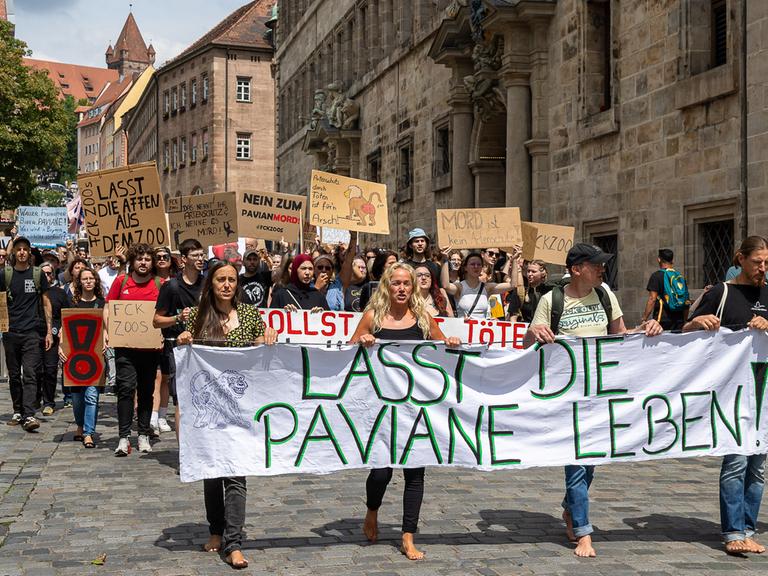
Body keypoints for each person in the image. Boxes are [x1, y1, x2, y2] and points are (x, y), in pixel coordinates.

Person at [524, 243, 663, 557]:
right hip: (567, 395)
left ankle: (570, 507)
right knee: (577, 460)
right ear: (576, 269)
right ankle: (584, 531)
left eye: (603, 264)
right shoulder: (551, 300)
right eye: (596, 264)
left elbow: (620, 338)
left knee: (590, 461)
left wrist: (647, 328)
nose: (603, 269)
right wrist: (538, 332)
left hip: (600, 394)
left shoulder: (606, 295)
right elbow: (526, 344)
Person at [349, 263, 460, 560]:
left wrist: (449, 341)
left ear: (413, 287)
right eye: (395, 283)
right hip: (381, 407)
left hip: (416, 408)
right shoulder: (372, 316)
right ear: (387, 285)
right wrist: (362, 341)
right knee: (381, 471)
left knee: (415, 472)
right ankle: (372, 511)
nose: (401, 288)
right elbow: (347, 354)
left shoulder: (423, 317)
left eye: (406, 284)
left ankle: (408, 536)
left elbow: (441, 345)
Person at [176, 261, 277, 569]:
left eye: (231, 279)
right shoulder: (196, 317)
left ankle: (233, 543)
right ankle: (216, 531)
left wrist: (268, 338)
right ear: (212, 283)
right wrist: (183, 340)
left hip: (239, 409)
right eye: (220, 279)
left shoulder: (249, 315)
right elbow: (185, 354)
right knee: (212, 472)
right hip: (207, 411)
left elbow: (261, 352)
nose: (226, 284)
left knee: (235, 473)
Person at [683, 235, 768, 555]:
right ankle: (733, 532)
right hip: (730, 392)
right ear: (740, 259)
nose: (763, 268)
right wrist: (697, 322)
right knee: (736, 460)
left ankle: (748, 528)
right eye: (757, 261)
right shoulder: (722, 292)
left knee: (757, 466)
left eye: (767, 263)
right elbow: (685, 332)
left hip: (762, 391)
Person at [105, 243, 162, 456]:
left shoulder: (160, 284)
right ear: (132, 261)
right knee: (126, 390)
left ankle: (144, 434)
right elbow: (108, 307)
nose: (144, 263)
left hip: (150, 349)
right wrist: (108, 330)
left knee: (146, 392)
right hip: (125, 349)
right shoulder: (122, 282)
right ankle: (123, 437)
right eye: (140, 259)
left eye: (148, 259)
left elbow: (163, 314)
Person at [153, 239, 206, 436]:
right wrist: (177, 318)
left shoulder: (208, 284)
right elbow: (156, 321)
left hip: (203, 348)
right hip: (178, 349)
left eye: (202, 255)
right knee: (182, 400)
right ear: (184, 259)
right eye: (195, 256)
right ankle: (183, 452)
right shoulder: (172, 287)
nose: (200, 259)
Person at [0, 236, 53, 431]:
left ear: (29, 252)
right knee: (14, 375)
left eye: (25, 249)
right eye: (18, 249)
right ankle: (17, 410)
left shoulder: (37, 275)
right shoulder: (5, 275)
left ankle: (29, 414)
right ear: (14, 252)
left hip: (32, 332)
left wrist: (49, 331)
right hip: (11, 332)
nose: (22, 252)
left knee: (30, 374)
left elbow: (46, 302)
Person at [64, 268, 105, 448]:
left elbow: (106, 327)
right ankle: (80, 425)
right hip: (75, 357)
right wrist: (60, 346)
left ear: (96, 281)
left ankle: (88, 432)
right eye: (84, 279)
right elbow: (65, 328)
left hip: (95, 357)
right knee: (77, 398)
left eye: (91, 278)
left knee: (91, 395)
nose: (88, 281)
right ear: (79, 282)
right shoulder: (72, 303)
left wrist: (106, 339)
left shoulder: (102, 303)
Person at [441, 251, 516, 319]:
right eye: (472, 264)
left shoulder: (487, 288)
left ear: (482, 268)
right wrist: (445, 260)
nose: (476, 267)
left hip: (481, 331)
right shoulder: (459, 287)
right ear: (465, 268)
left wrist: (515, 260)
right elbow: (445, 285)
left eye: (479, 264)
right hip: (463, 330)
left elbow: (512, 285)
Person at [38, 262, 69, 415]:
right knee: (35, 370)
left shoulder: (59, 292)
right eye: (43, 273)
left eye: (49, 273)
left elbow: (67, 313)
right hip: (34, 333)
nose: (46, 276)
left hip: (54, 335)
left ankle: (49, 402)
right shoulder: (34, 291)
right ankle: (35, 397)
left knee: (50, 369)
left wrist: (62, 328)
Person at [642, 249, 690, 331]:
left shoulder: (656, 276)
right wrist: (685, 320)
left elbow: (652, 299)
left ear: (659, 259)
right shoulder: (680, 277)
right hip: (679, 321)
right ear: (672, 260)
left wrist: (644, 318)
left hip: (662, 321)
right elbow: (686, 300)